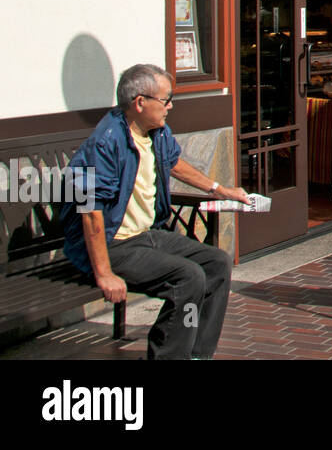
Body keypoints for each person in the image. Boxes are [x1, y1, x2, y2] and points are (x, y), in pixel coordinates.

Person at [60, 64, 249, 360]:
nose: (170, 106)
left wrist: (219, 189)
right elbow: (90, 212)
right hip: (113, 245)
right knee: (189, 278)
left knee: (217, 263)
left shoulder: (156, 133)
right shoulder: (105, 143)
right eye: (165, 100)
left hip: (148, 235)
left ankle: (197, 355)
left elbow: (174, 163)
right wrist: (105, 273)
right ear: (140, 102)